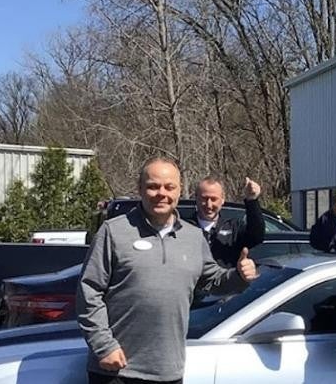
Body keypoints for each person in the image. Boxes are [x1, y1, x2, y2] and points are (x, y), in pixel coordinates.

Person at [77, 156, 258, 384]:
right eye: (153, 186)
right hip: (117, 371)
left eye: (169, 187)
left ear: (179, 190)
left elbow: (213, 281)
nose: (162, 193)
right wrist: (103, 346)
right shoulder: (113, 232)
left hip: (169, 371)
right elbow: (89, 292)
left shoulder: (193, 237)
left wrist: (240, 276)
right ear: (140, 189)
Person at [184, 176, 265, 267]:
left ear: (222, 200)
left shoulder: (234, 227)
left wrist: (252, 200)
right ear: (196, 198)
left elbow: (257, 236)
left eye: (214, 199)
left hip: (226, 280)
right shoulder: (184, 228)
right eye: (204, 198)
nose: (209, 205)